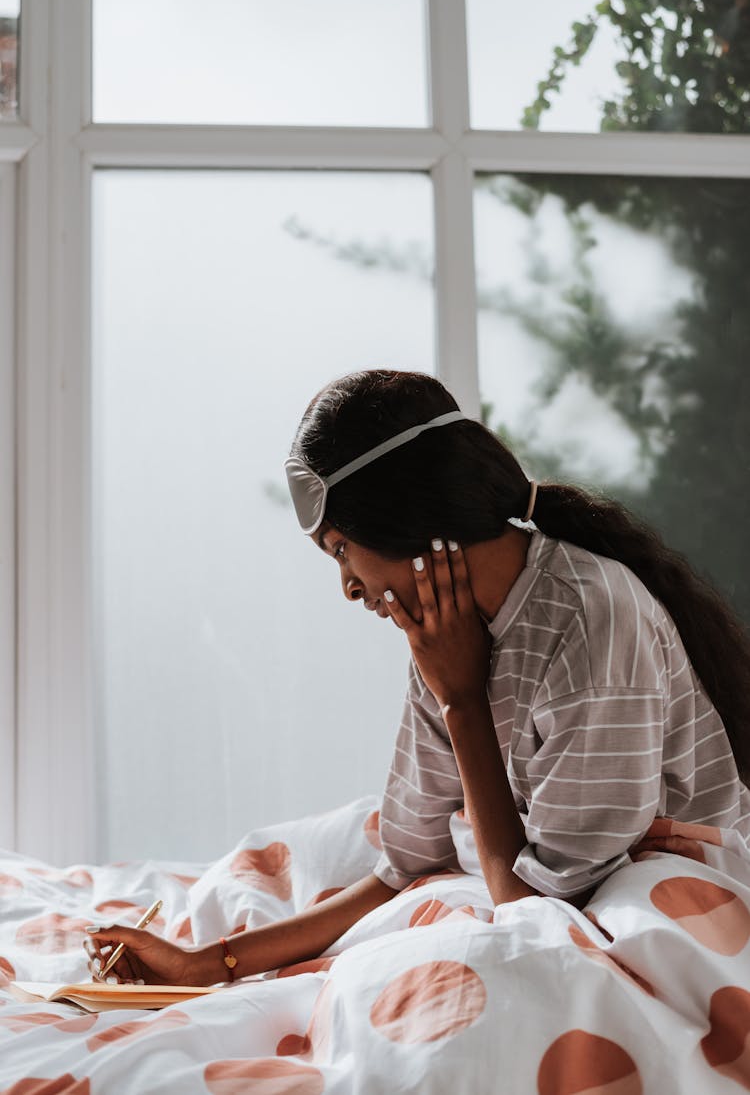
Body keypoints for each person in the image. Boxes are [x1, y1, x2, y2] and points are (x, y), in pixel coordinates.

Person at [85, 368, 750, 987]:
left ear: (403, 514)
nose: (347, 585)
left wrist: (463, 701)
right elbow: (404, 864)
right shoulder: (446, 631)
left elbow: (542, 915)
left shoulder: (590, 619)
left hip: (672, 891)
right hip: (536, 883)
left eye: (343, 548)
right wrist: (207, 963)